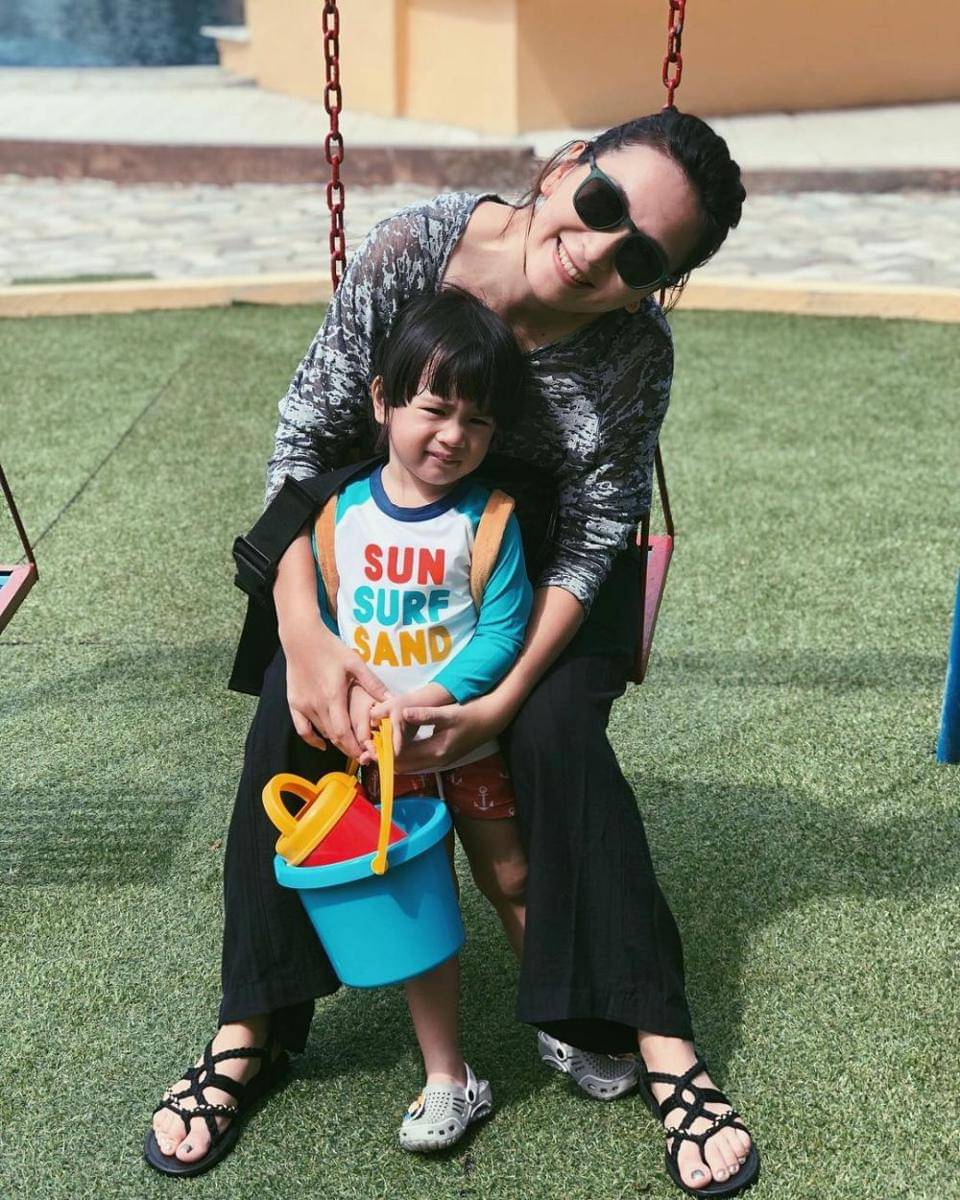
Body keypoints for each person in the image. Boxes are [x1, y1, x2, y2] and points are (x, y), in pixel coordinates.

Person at [148, 108, 758, 1196]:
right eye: (601, 204)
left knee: (560, 736)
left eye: (641, 258)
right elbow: (304, 445)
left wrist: (501, 698)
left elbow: (599, 531)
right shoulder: (414, 250)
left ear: (657, 285)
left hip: (541, 579)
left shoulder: (632, 350)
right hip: (370, 549)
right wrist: (304, 637)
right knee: (287, 725)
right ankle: (252, 1025)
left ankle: (654, 1034)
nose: (598, 250)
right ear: (564, 167)